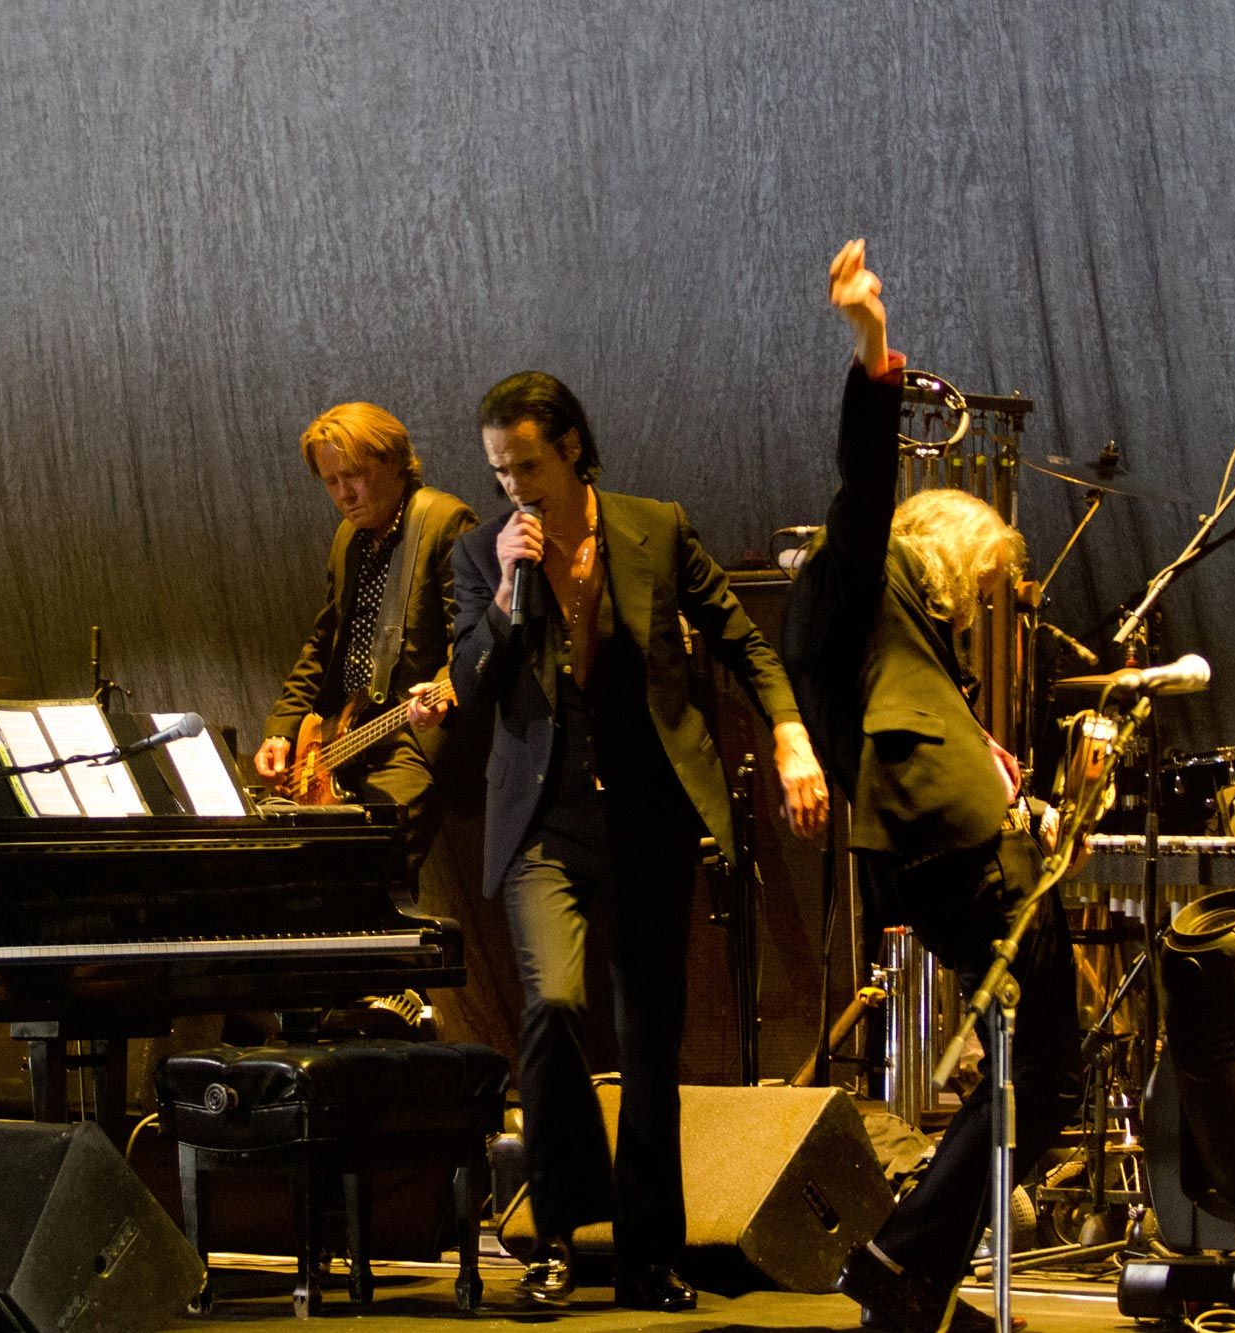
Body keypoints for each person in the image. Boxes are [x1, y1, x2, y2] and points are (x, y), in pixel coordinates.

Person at [448, 369, 830, 1311]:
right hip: (546, 819)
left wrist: (788, 732)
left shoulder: (654, 527)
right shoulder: (480, 553)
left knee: (650, 1038)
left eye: (527, 464)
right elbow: (468, 684)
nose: (513, 487)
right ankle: (558, 1234)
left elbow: (740, 640)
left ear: (571, 446)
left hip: (650, 814)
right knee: (553, 1007)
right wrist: (505, 594)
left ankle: (649, 1253)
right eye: (499, 470)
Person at [783, 240, 1081, 1333]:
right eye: (985, 579)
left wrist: (1015, 788)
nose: (979, 603)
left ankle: (909, 1271)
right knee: (1045, 1066)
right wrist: (870, 346)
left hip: (938, 838)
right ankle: (903, 1258)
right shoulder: (858, 578)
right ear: (946, 547)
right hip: (949, 841)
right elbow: (866, 479)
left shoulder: (890, 643)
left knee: (1031, 1063)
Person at [256, 401, 475, 870]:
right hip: (342, 736)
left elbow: (472, 643)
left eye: (352, 475)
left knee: (367, 872)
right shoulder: (346, 537)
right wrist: (282, 729)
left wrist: (441, 695)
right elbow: (323, 642)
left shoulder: (442, 521)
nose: (342, 494)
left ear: (393, 460)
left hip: (408, 740)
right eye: (330, 482)